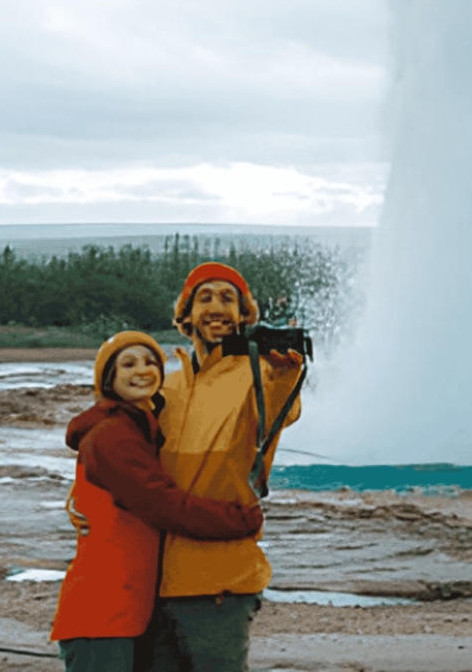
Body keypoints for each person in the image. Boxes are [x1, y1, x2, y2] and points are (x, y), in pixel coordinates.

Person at [50, 331, 264, 672]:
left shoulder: (139, 429)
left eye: (151, 362)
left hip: (127, 611)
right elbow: (164, 505)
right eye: (128, 363)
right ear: (109, 378)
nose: (143, 370)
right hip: (100, 613)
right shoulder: (111, 436)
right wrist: (239, 520)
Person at [146, 263, 304, 672]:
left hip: (220, 580)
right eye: (205, 298)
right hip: (152, 579)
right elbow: (126, 452)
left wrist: (286, 372)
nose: (217, 308)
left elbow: (280, 409)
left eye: (228, 299)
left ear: (245, 317)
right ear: (185, 316)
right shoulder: (166, 386)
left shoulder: (258, 375)